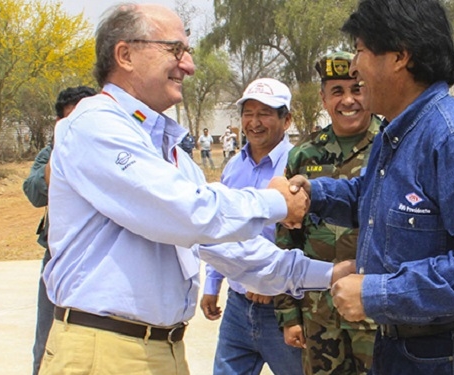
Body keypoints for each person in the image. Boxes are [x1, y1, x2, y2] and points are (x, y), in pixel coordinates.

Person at [39, 4, 354, 375]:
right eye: (175, 50)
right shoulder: (96, 125)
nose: (188, 65)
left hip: (159, 349)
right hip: (105, 352)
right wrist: (277, 202)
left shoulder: (168, 152)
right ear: (125, 54)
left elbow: (233, 249)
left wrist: (328, 274)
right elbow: (189, 213)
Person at [288, 1, 454, 374]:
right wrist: (313, 194)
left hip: (445, 352)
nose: (354, 66)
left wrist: (378, 292)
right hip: (402, 346)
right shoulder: (397, 133)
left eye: (361, 51)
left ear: (400, 56)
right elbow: (370, 198)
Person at [274, 51, 379, 375]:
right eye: (337, 92)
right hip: (317, 313)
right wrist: (289, 315)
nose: (348, 100)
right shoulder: (304, 155)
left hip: (376, 311)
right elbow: (285, 238)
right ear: (323, 98)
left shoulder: (391, 147)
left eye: (357, 89)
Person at [200, 78, 303, 375]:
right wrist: (212, 283)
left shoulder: (299, 165)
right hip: (238, 307)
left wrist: (274, 284)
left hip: (284, 309)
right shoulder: (234, 167)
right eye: (249, 113)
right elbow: (221, 230)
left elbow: (309, 239)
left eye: (265, 114)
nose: (254, 122)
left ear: (286, 120)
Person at [22, 85, 97, 375]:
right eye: (70, 121)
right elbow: (35, 192)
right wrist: (59, 148)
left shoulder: (110, 149)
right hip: (56, 260)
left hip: (98, 262)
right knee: (46, 342)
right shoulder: (51, 153)